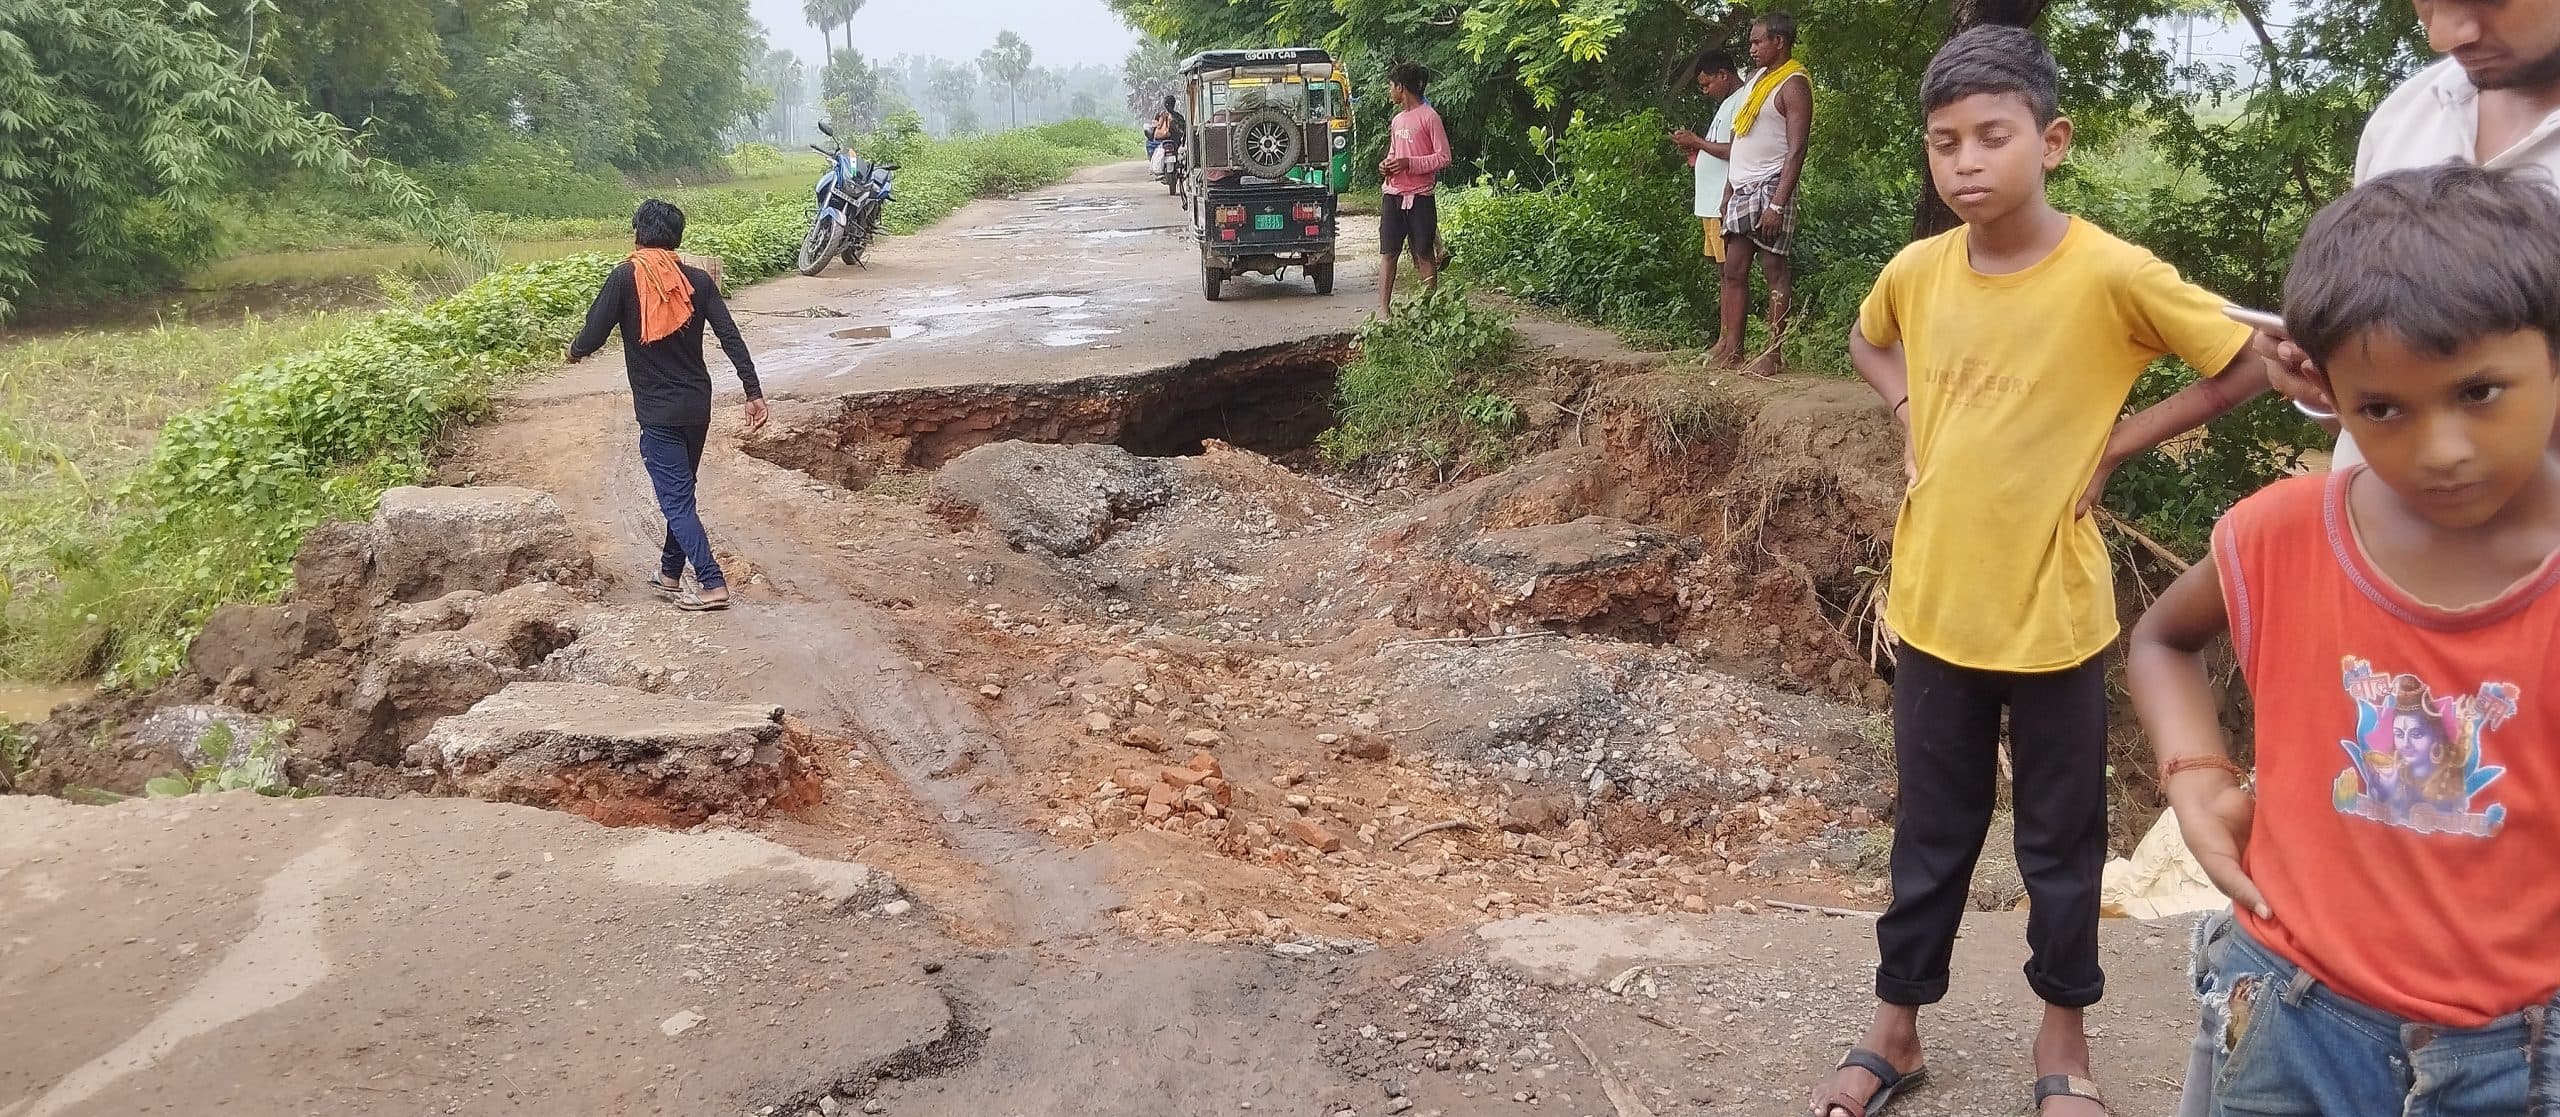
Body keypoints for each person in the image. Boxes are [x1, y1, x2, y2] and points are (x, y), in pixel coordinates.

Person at [1812, 26, 2273, 1117]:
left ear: (2050, 139)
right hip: (1933, 605)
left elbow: (2243, 361)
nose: (1965, 162)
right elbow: (1865, 339)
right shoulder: (1917, 271)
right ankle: (1894, 1028)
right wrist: (1906, 405)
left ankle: (2061, 1043)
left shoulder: (2108, 272)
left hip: (2056, 615)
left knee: (2060, 842)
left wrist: (2116, 442)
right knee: (1929, 828)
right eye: (1942, 143)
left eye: (1991, 136)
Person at [2129, 162, 2560, 1117]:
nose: (2440, 447)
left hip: (2522, 1052)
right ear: (2327, 392)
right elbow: (2162, 639)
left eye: (2481, 391)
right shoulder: (2279, 535)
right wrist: (2196, 772)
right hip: (2292, 1014)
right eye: (2384, 409)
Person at [2261, 0, 2560, 468]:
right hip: (2372, 536)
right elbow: (2370, 432)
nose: (2442, 35)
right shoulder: (2410, 114)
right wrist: (2333, 382)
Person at [567, 199, 768, 612]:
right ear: (678, 237)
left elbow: (593, 334)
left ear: (637, 233)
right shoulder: (697, 280)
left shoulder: (625, 277)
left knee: (676, 502)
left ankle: (712, 583)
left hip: (659, 413)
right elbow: (731, 337)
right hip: (697, 406)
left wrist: (573, 353)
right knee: (683, 494)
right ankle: (670, 572)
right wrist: (753, 392)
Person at [1711, 10, 1813, 377]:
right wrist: (1728, 189)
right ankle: (1733, 350)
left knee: (1773, 269)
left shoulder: (1794, 84)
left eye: (1758, 41)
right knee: (1734, 269)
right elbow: (1740, 137)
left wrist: (1777, 203)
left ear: (1779, 42)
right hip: (1742, 187)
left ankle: (1772, 353)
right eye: (1751, 41)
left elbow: (1797, 149)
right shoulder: (1756, 81)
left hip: (1771, 187)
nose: (1751, 48)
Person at [1377, 60, 1452, 318]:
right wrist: (1387, 165)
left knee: (1423, 253)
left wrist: (1410, 164)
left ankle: (1429, 311)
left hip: (1420, 196)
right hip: (1393, 195)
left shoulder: (1430, 118)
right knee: (1389, 254)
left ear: (1401, 87)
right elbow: (1395, 153)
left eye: (1391, 85)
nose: (1389, 91)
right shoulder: (1398, 120)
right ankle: (1384, 314)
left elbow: (1443, 158)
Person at [1673, 49, 1753, 275]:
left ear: (1723, 75)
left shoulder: (1742, 100)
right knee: (1721, 269)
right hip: (1709, 203)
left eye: (1707, 84)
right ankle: (1727, 311)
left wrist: (1696, 140)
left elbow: (1737, 150)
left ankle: (1733, 311)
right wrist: (1694, 149)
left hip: (1722, 201)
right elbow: (1716, 148)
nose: (1705, 91)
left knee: (1730, 271)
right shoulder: (1727, 103)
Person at [1149, 94, 1186, 178]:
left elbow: (1153, 129)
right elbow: (1184, 130)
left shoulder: (1160, 115)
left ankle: (1157, 169)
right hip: (1176, 142)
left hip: (1162, 142)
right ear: (1174, 104)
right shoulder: (1179, 116)